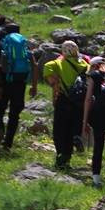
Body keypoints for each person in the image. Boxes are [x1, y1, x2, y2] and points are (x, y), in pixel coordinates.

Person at [0, 22, 37, 152]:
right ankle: (7, 143)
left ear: (5, 32)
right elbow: (34, 66)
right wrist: (34, 86)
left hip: (2, 84)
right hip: (19, 84)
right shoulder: (24, 45)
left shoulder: (0, 45)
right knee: (14, 115)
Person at [41, 40, 87, 170]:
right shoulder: (84, 64)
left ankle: (61, 157)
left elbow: (50, 77)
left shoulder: (56, 63)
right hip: (79, 102)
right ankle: (69, 153)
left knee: (60, 130)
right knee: (72, 130)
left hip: (63, 99)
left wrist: (54, 89)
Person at [80, 57, 105, 188]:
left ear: (95, 66)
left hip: (99, 114)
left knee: (98, 146)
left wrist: (85, 121)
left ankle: (96, 180)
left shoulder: (94, 75)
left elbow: (88, 99)